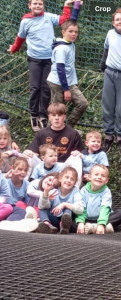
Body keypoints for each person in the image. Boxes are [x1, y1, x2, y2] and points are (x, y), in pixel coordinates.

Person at [7, 0, 75, 132]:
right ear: (29, 6)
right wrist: (14, 49)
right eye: (35, 4)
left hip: (50, 59)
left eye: (40, 4)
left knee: (45, 88)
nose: (37, 6)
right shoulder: (26, 21)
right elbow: (20, 38)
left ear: (43, 6)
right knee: (35, 87)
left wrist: (67, 5)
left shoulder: (48, 17)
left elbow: (63, 20)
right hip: (34, 59)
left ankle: (43, 116)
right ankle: (33, 114)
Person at [47, 18, 88, 128]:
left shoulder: (70, 43)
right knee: (57, 110)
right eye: (70, 31)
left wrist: (77, 4)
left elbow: (72, 21)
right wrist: (66, 89)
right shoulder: (61, 48)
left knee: (82, 103)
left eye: (76, 32)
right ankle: (49, 134)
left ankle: (67, 128)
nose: (74, 34)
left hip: (68, 82)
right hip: (58, 82)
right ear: (63, 32)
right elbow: (60, 69)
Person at [76, 164, 121, 234]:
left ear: (106, 180)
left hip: (103, 219)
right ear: (90, 177)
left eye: (103, 176)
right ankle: (101, 228)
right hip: (86, 219)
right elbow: (81, 207)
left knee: (119, 213)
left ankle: (96, 227)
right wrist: (81, 222)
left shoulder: (106, 191)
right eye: (96, 174)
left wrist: (101, 224)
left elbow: (105, 208)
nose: (99, 177)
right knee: (73, 220)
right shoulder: (83, 190)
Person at [37, 167, 84, 234]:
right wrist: (46, 193)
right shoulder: (54, 191)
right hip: (54, 217)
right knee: (42, 209)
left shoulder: (75, 192)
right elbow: (43, 206)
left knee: (68, 208)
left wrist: (64, 204)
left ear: (74, 183)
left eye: (72, 179)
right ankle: (47, 225)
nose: (68, 180)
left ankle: (64, 226)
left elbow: (80, 209)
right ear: (60, 179)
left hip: (67, 221)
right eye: (66, 177)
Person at [100, 8, 121, 153]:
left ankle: (120, 136)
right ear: (113, 23)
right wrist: (103, 64)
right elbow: (106, 49)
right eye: (118, 19)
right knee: (107, 104)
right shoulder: (110, 34)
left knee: (120, 108)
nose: (120, 22)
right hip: (110, 72)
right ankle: (108, 136)